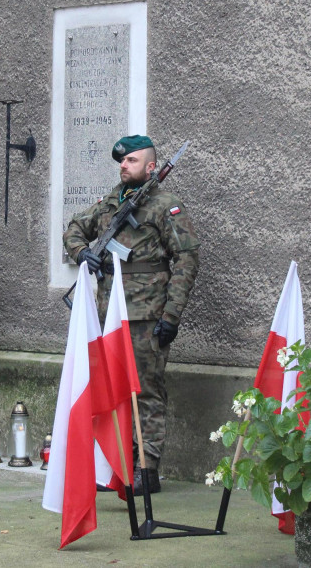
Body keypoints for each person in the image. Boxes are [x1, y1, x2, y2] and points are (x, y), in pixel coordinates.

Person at [62, 135, 198, 492]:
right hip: (110, 315)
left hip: (146, 315)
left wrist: (171, 315)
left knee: (147, 391)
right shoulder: (111, 203)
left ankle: (146, 467)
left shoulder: (165, 206)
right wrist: (81, 253)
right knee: (116, 391)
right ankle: (118, 464)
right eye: (122, 162)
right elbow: (75, 228)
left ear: (152, 167)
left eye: (132, 161)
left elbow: (186, 259)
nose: (124, 166)